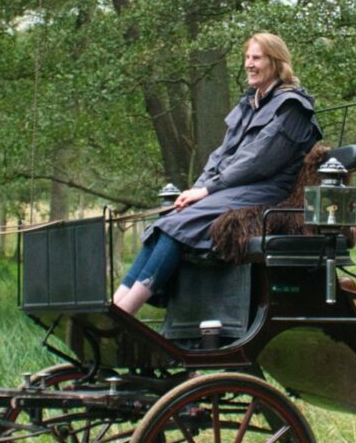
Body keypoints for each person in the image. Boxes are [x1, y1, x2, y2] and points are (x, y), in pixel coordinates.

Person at [113, 33, 321, 315]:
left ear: (276, 62)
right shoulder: (249, 104)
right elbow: (220, 155)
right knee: (166, 222)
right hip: (235, 188)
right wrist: (195, 190)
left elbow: (257, 162)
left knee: (177, 227)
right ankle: (116, 304)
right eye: (247, 57)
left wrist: (208, 190)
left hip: (267, 191)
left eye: (256, 58)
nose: (248, 64)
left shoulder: (292, 107)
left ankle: (127, 311)